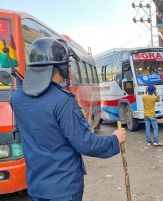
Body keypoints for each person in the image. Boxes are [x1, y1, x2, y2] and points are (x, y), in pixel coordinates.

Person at [11, 38, 127, 201]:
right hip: (64, 189)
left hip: (36, 187)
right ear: (61, 68)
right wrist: (115, 139)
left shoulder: (17, 98)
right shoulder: (63, 101)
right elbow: (85, 143)